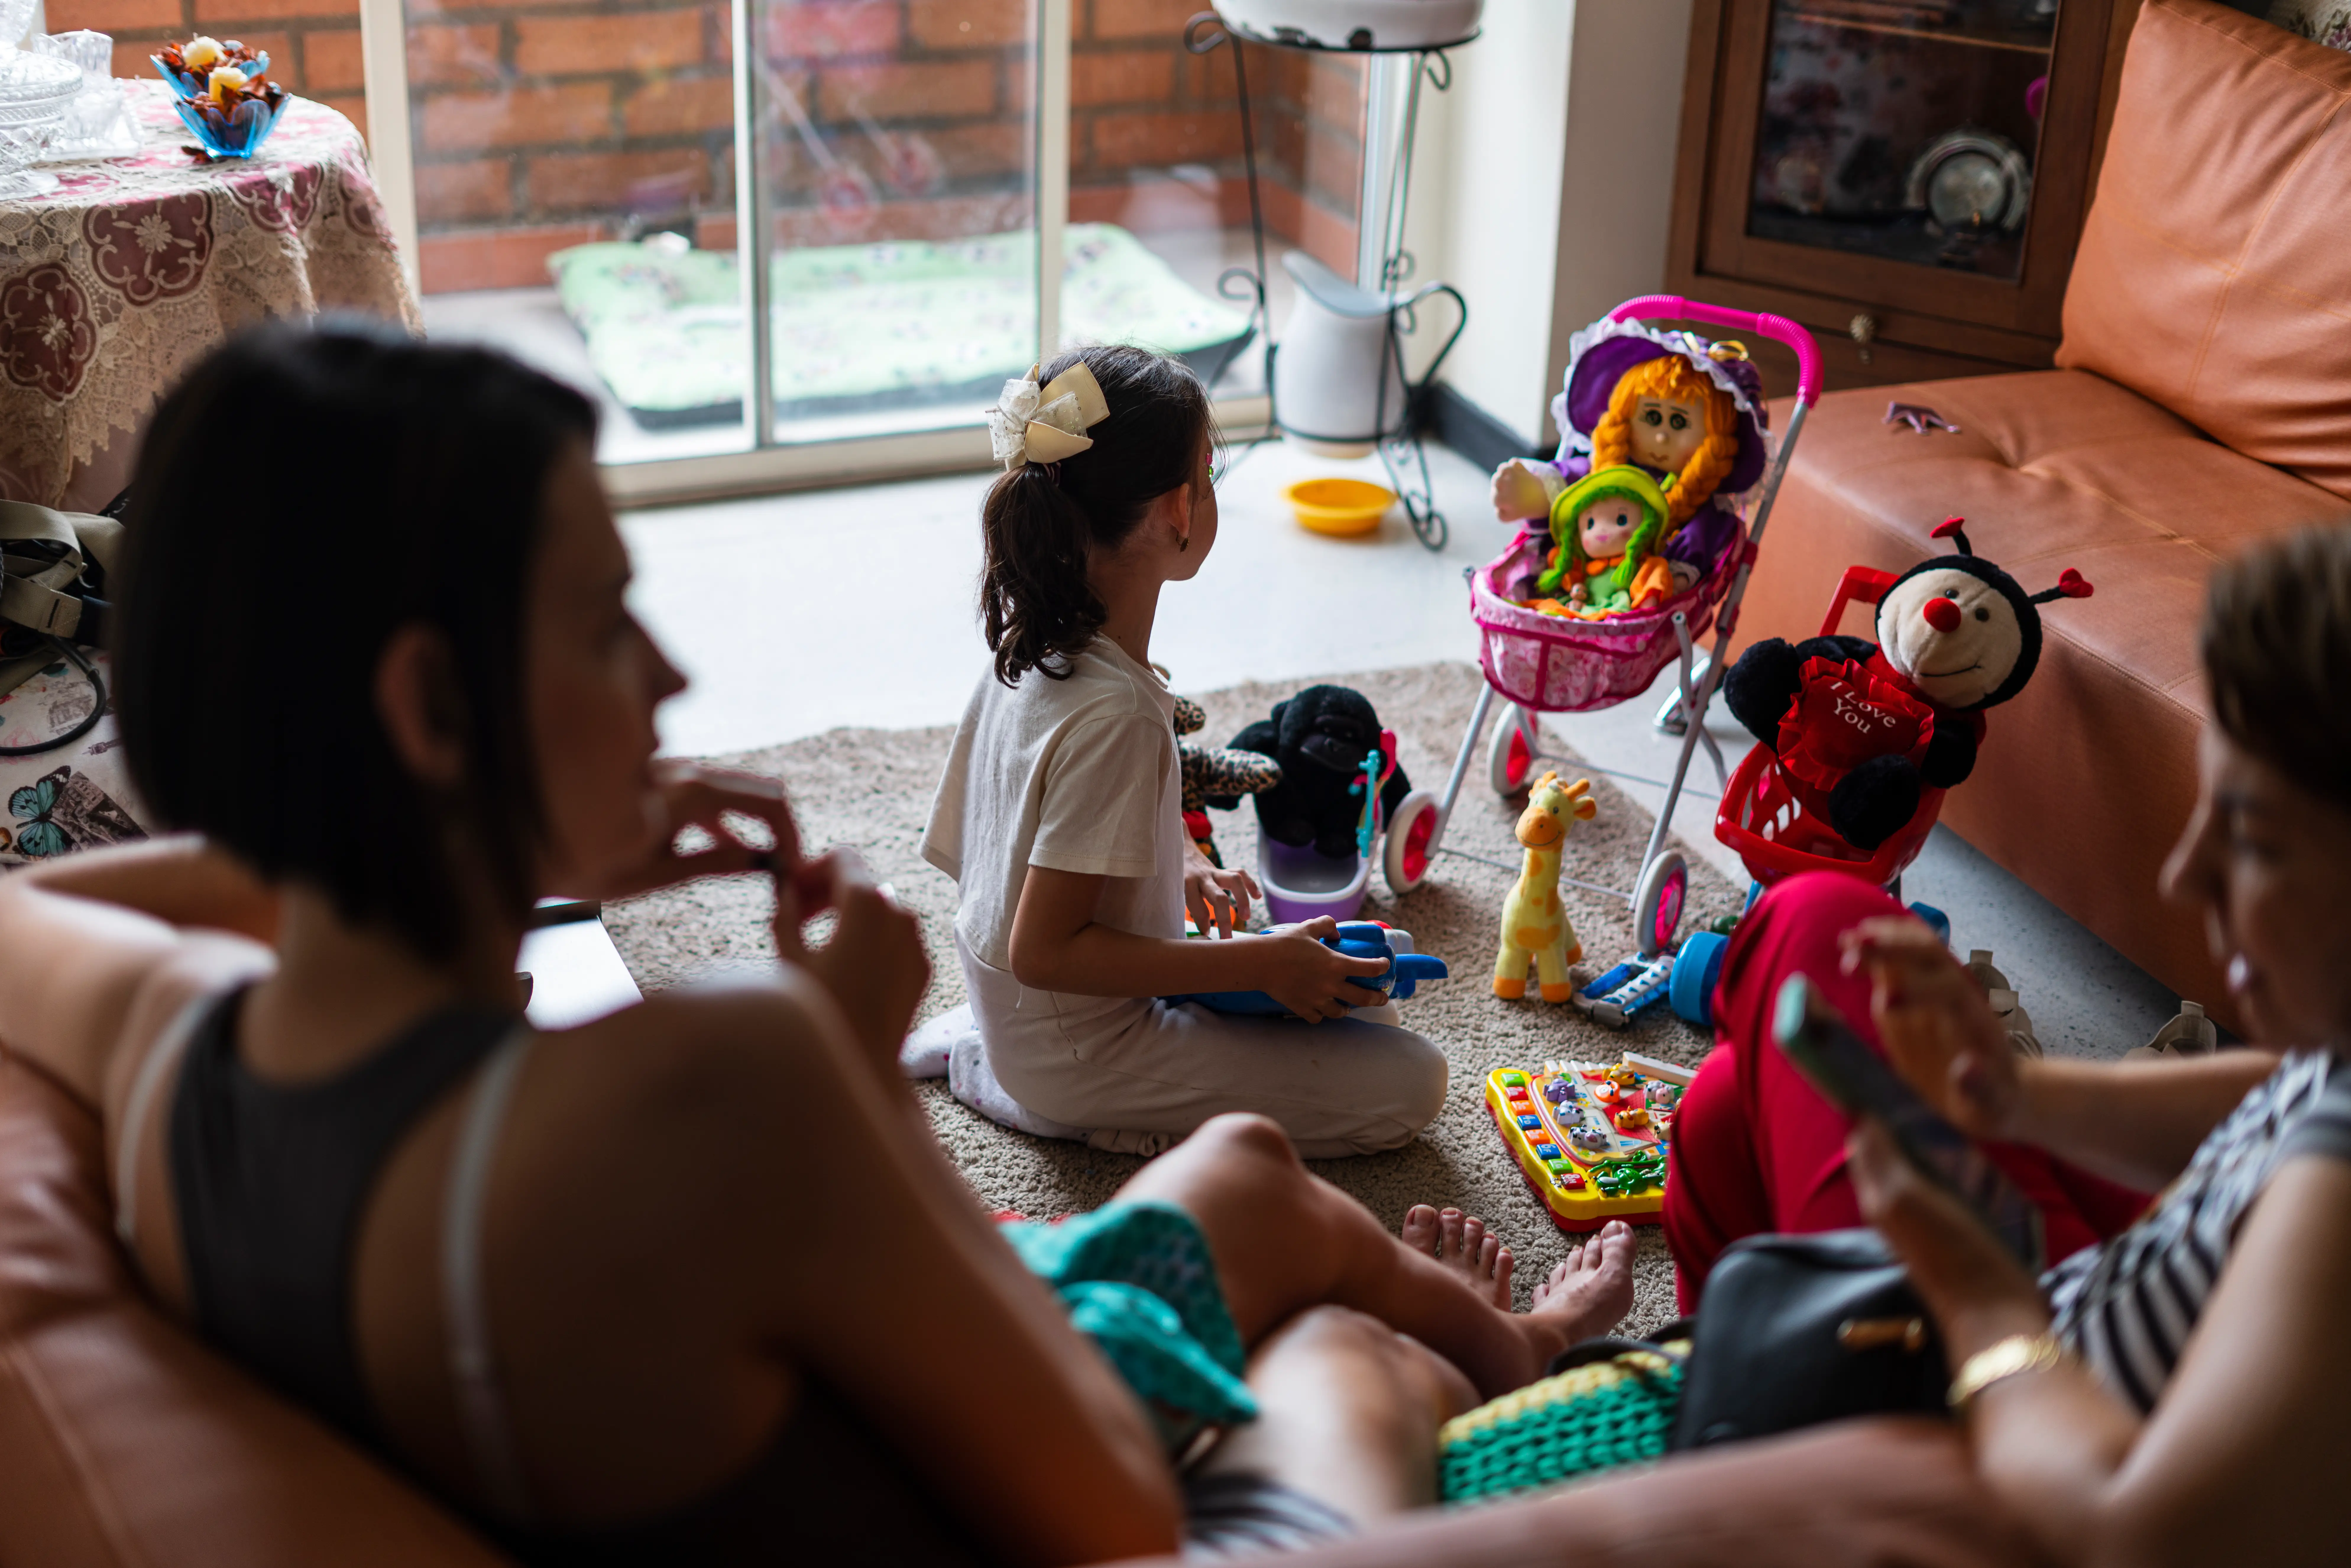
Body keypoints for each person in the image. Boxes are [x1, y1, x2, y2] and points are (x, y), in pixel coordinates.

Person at [0, 323, 1641, 1567]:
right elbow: (1114, 1505)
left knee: (1255, 1168)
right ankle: (1524, 1362)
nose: (668, 679)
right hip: (1019, 1485)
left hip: (816, 1341)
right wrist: (855, 1061)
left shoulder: (168, 1045)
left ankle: (1487, 1329)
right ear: (431, 710)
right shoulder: (736, 1076)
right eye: (600, 621)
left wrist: (460, 842)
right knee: (1347, 1345)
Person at [920, 345, 1449, 1156]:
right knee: (1413, 1083)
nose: (1211, 492)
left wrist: (1187, 865)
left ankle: (1005, 1050)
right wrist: (1256, 967)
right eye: (1210, 472)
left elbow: (1020, 847)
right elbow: (1045, 948)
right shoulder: (1115, 717)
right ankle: (1027, 1092)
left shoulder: (1038, 648)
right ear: (1177, 509)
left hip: (1039, 1009)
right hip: (1077, 1048)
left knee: (1370, 984)